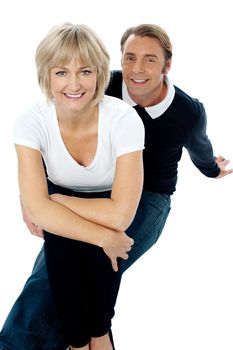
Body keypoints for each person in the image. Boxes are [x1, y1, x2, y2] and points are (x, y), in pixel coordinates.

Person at [0, 23, 232, 350]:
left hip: (146, 198)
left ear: (167, 66)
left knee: (96, 264)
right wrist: (33, 194)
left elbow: (200, 147)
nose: (137, 69)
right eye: (129, 58)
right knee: (54, 274)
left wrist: (212, 170)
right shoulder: (95, 84)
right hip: (82, 190)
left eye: (150, 60)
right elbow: (49, 132)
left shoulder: (186, 110)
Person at [8, 22, 145, 350]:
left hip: (100, 200)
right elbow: (38, 213)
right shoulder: (30, 121)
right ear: (46, 75)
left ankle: (97, 337)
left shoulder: (123, 119)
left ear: (99, 74)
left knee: (99, 320)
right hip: (66, 209)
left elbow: (120, 215)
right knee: (71, 309)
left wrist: (52, 200)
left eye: (84, 71)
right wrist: (103, 238)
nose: (73, 84)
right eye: (61, 73)